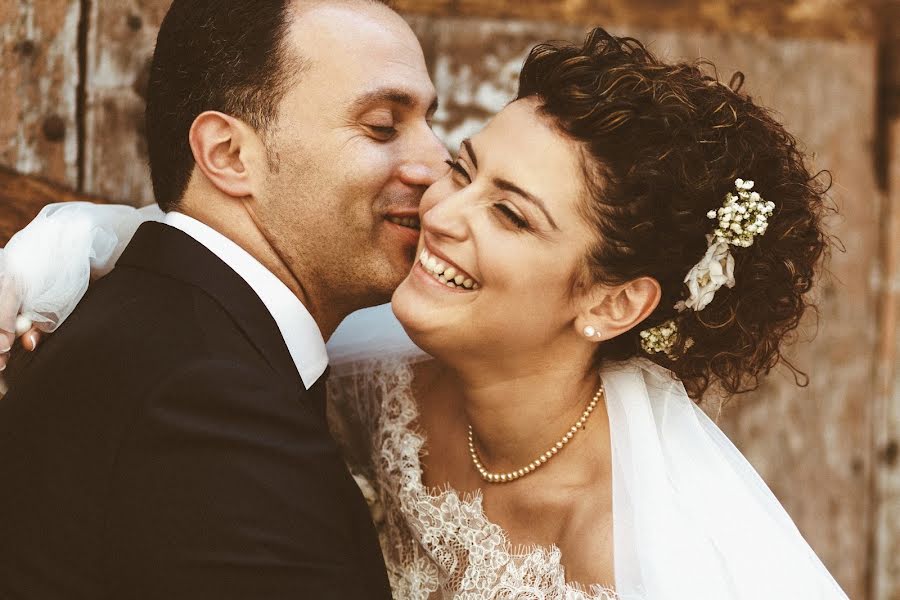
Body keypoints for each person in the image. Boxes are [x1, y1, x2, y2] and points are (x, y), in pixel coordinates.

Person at [0, 27, 850, 600]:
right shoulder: (379, 379)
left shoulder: (634, 555)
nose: (442, 211)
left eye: (511, 214)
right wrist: (62, 248)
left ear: (613, 301)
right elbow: (223, 270)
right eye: (467, 167)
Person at [0, 0, 448, 598]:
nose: (438, 166)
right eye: (383, 126)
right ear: (230, 155)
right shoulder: (210, 400)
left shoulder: (156, 323)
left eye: (429, 123)